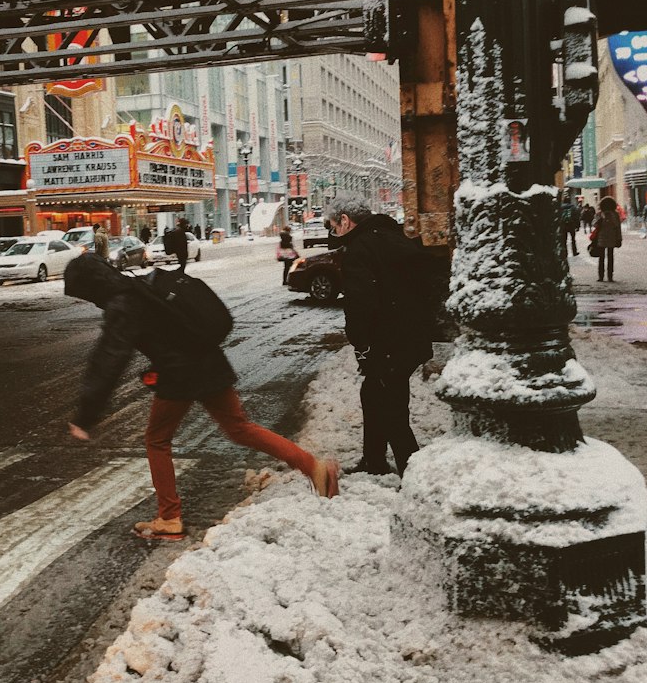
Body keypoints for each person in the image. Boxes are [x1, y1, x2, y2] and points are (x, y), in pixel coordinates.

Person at [64, 255, 338, 541]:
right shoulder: (141, 285)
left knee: (157, 440)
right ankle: (315, 468)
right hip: (209, 361)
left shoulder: (122, 304)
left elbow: (108, 359)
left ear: (91, 287)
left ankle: (169, 518)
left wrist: (86, 415)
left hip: (179, 374)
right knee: (240, 428)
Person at [327, 196, 436, 477]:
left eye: (333, 225)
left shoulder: (359, 249)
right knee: (375, 394)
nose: (333, 231)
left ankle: (414, 471)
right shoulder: (393, 237)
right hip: (410, 335)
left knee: (391, 407)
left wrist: (362, 344)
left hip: (387, 341)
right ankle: (374, 461)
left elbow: (361, 303)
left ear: (345, 221)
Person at [592, 195, 622, 283]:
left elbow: (594, 224)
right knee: (610, 257)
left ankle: (601, 276)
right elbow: (618, 227)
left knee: (601, 258)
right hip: (612, 238)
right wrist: (619, 238)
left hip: (601, 238)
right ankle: (610, 276)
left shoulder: (599, 214)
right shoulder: (615, 214)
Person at [559, 193, 581, 257]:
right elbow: (577, 217)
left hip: (563, 226)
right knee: (573, 239)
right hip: (571, 225)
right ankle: (574, 252)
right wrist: (577, 226)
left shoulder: (560, 208)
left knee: (564, 240)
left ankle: (565, 253)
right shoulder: (573, 207)